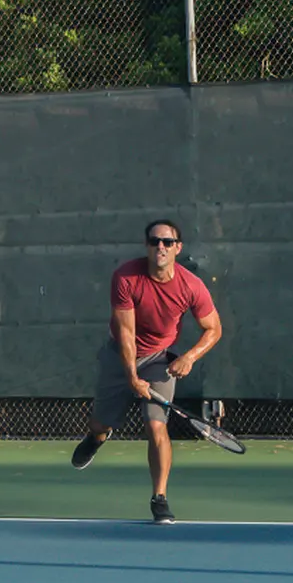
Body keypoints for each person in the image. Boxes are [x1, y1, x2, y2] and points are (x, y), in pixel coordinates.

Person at [71, 219, 222, 524]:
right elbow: (126, 333)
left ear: (178, 248)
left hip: (159, 361)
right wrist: (130, 377)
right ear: (147, 246)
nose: (161, 247)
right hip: (120, 355)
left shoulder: (192, 286)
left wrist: (189, 357)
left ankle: (160, 497)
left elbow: (214, 329)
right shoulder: (126, 277)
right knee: (100, 423)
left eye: (167, 242)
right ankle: (99, 437)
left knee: (156, 426)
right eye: (155, 242)